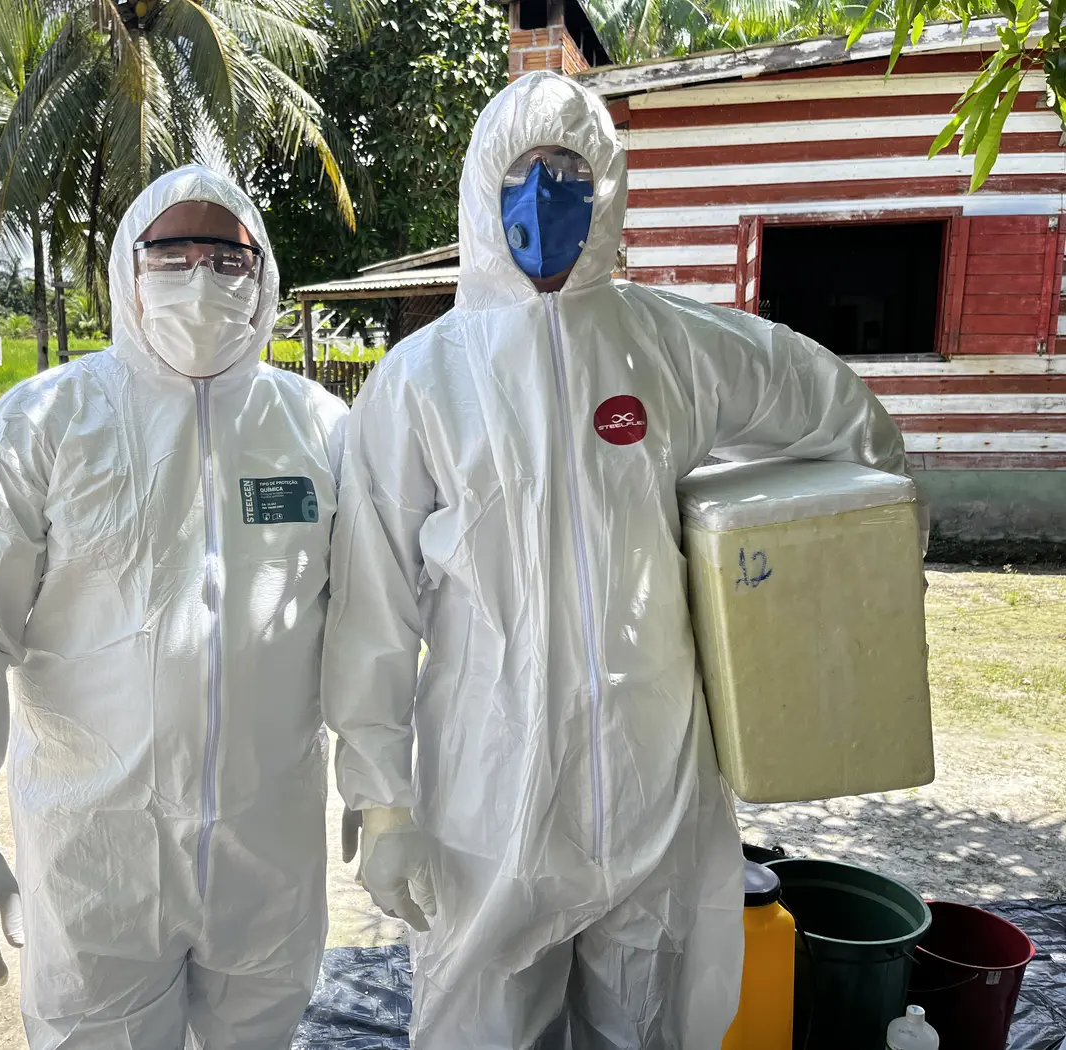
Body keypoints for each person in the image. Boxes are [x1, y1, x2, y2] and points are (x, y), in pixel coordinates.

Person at [325, 71, 918, 1050]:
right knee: (480, 1029)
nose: (543, 195)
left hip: (653, 784)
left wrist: (878, 542)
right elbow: (370, 609)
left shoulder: (670, 345)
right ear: (479, 188)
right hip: (487, 794)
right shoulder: (420, 382)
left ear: (609, 187)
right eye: (520, 171)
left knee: (646, 1029)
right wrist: (382, 802)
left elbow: (831, 407)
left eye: (570, 172)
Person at [0, 165, 347, 1049]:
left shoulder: (318, 427)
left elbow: (367, 622)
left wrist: (383, 788)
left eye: (227, 256)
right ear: (126, 269)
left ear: (262, 274)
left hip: (268, 850)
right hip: (97, 854)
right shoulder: (47, 422)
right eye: (171, 253)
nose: (201, 276)